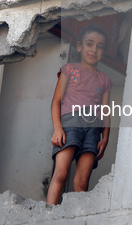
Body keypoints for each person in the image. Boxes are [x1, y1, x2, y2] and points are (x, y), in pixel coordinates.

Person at [46, 24, 113, 205]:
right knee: (61, 174)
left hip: (93, 129)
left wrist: (105, 138)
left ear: (103, 51)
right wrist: (57, 128)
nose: (94, 50)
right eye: (89, 44)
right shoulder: (69, 70)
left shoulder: (105, 80)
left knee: (82, 182)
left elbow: (105, 110)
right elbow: (56, 102)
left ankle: (76, 217)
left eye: (100, 46)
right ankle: (48, 213)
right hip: (70, 125)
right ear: (79, 46)